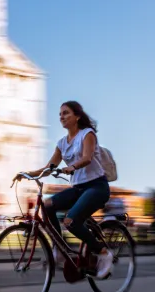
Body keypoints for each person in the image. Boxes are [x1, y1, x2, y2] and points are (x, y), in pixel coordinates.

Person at [14, 101, 113, 279]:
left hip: (96, 186)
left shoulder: (87, 134)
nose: (62, 117)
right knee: (47, 205)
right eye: (60, 114)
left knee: (71, 221)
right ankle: (58, 249)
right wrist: (27, 174)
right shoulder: (61, 143)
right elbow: (49, 168)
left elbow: (87, 158)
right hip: (78, 189)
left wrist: (71, 167)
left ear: (77, 116)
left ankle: (104, 253)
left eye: (66, 113)